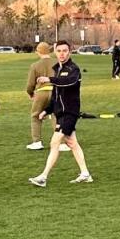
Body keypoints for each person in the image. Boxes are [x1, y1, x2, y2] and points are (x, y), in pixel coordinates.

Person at [30, 39, 91, 187]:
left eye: (64, 51)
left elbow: (68, 82)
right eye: (59, 51)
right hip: (60, 113)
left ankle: (43, 177)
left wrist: (49, 79)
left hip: (70, 113)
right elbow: (56, 95)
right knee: (72, 143)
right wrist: (46, 110)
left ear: (69, 52)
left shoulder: (73, 69)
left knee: (54, 142)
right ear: (55, 52)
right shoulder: (57, 68)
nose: (62, 54)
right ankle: (85, 174)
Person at [23, 41, 55, 151]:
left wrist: (31, 93)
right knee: (57, 115)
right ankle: (61, 143)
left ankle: (37, 142)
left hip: (41, 92)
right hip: (55, 92)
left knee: (35, 116)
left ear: (38, 52)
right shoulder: (56, 63)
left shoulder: (35, 66)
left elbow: (30, 84)